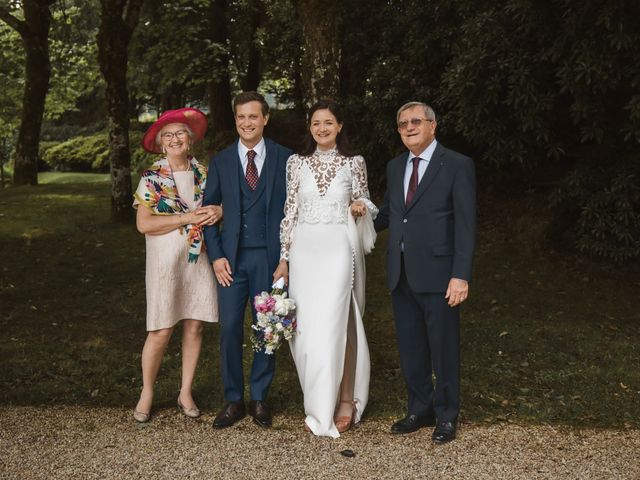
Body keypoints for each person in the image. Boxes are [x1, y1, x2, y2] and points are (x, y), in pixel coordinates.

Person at [374, 101, 476, 444]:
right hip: (401, 273)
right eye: (402, 123)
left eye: (415, 121)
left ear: (433, 125)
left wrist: (460, 275)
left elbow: (465, 225)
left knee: (443, 348)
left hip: (439, 274)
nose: (408, 127)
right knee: (411, 347)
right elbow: (389, 214)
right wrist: (342, 219)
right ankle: (419, 408)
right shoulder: (395, 166)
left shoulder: (457, 165)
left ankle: (447, 415)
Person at [279, 99, 377, 438]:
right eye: (316, 123)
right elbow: (289, 212)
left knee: (339, 322)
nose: (322, 128)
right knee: (307, 330)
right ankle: (318, 402)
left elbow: (368, 200)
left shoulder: (354, 163)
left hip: (338, 249)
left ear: (339, 126)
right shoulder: (296, 164)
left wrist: (361, 205)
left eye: (329, 122)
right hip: (304, 251)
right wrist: (283, 258)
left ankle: (346, 400)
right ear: (310, 127)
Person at [203, 92, 293, 429]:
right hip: (231, 261)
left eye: (253, 116)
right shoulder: (222, 161)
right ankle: (232, 399)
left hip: (269, 260)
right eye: (241, 117)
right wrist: (216, 257)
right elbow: (208, 212)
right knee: (228, 328)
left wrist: (286, 259)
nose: (246, 123)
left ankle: (259, 396)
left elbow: (294, 212)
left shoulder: (286, 159)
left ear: (266, 118)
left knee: (266, 328)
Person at [133, 107, 222, 423]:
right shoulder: (152, 178)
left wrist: (218, 212)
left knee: (194, 323)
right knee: (161, 328)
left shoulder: (205, 173)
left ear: (190, 139)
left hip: (198, 259)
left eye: (180, 133)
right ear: (160, 143)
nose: (174, 139)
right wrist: (185, 217)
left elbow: (218, 206)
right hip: (165, 261)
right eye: (167, 135)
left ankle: (185, 391)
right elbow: (144, 224)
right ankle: (147, 391)